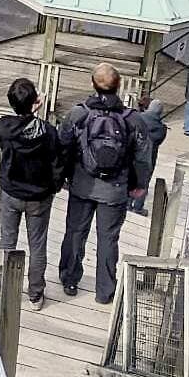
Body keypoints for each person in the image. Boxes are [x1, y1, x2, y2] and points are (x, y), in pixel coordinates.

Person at [56, 63, 147, 304]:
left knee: (75, 232)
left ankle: (69, 279)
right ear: (119, 86)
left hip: (82, 184)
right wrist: (138, 184)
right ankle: (105, 291)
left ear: (93, 84)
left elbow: (63, 146)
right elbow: (142, 157)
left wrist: (64, 175)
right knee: (108, 239)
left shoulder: (79, 113)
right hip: (116, 189)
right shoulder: (132, 119)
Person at [0, 76, 61, 311]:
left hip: (11, 191)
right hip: (39, 196)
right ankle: (35, 294)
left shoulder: (3, 126)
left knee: (7, 240)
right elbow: (56, 162)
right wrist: (54, 186)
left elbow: (11, 133)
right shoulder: (48, 132)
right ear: (35, 102)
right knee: (37, 245)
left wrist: (27, 110)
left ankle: (3, 290)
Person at [129, 97, 166, 215]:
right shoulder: (161, 128)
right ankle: (138, 207)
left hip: (134, 155)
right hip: (149, 158)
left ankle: (127, 203)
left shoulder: (137, 118)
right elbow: (159, 141)